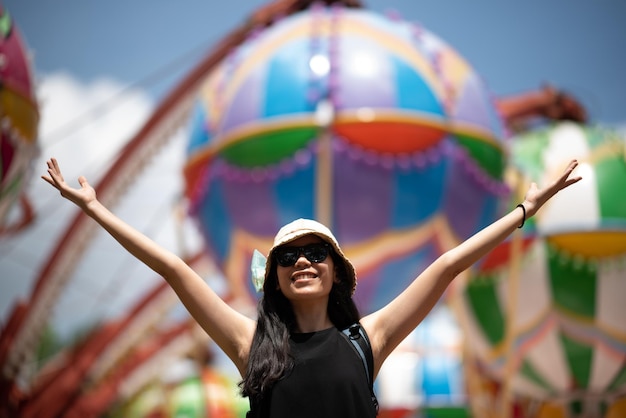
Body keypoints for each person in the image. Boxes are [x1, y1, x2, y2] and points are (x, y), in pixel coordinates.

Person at [42, 157, 581, 417]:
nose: (302, 261)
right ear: (275, 275)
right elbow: (175, 270)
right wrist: (94, 209)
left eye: (316, 252)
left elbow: (445, 268)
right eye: (288, 256)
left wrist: (524, 211)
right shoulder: (249, 345)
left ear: (335, 271)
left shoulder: (368, 338)